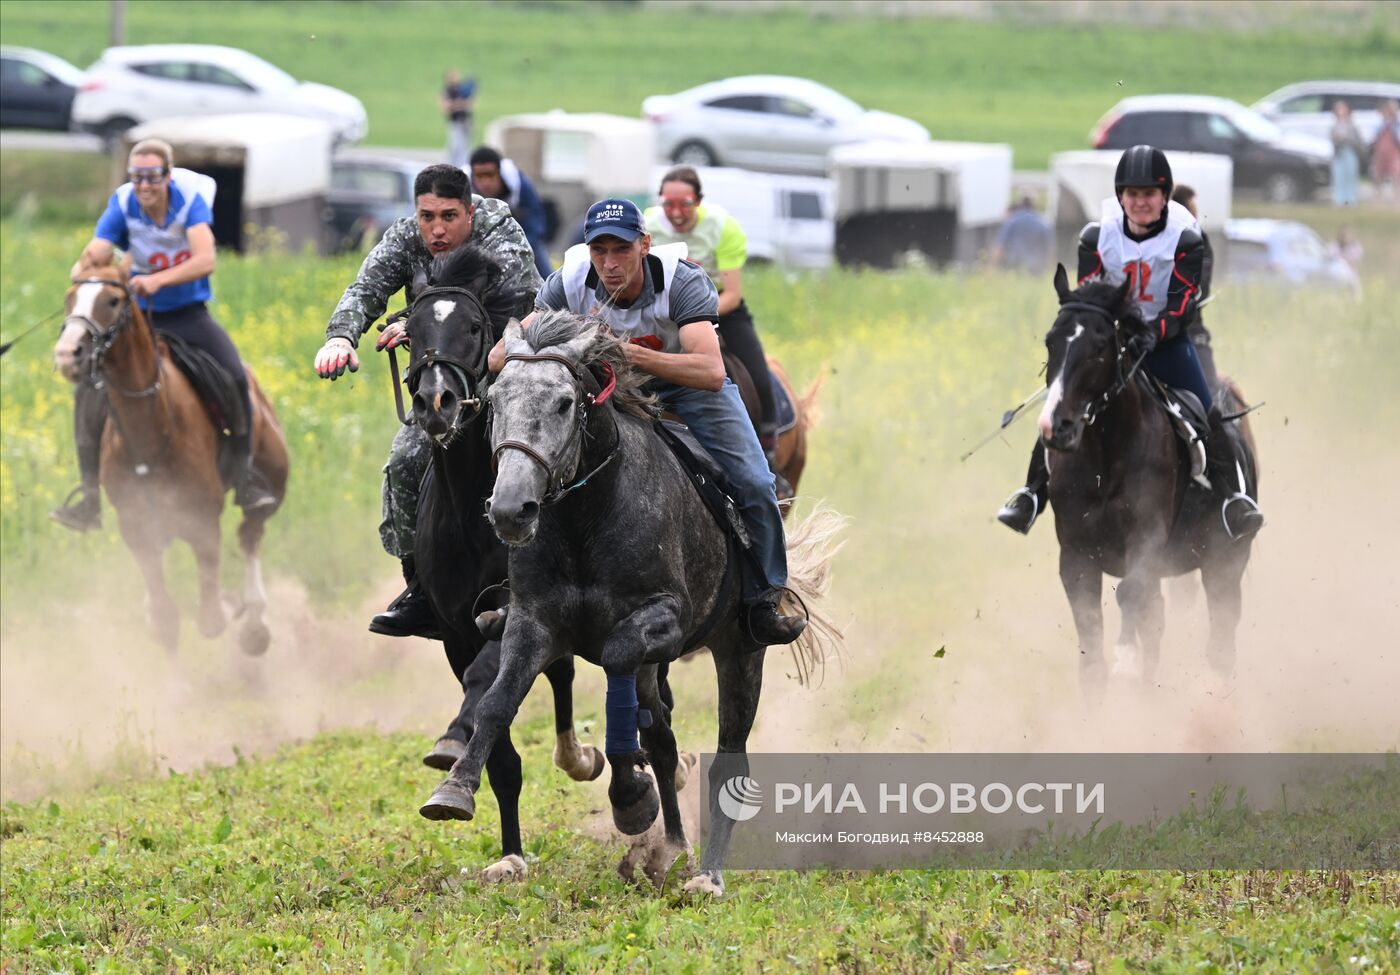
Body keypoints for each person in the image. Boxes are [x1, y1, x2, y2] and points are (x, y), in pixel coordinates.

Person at [487, 198, 806, 646]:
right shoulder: (567, 283)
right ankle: (521, 598)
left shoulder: (683, 281)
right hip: (604, 390)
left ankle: (768, 597)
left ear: (645, 245)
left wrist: (632, 353)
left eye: (621, 250)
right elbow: (503, 355)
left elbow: (711, 372)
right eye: (600, 251)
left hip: (687, 388)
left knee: (755, 482)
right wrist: (512, 349)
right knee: (523, 467)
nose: (610, 264)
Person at [314, 163, 541, 639]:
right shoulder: (406, 238)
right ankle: (420, 587)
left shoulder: (499, 232)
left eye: (449, 216)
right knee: (402, 464)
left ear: (470, 211)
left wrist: (426, 326)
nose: (436, 229)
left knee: (541, 453)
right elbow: (366, 288)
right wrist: (341, 337)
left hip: (506, 371)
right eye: (427, 216)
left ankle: (559, 568)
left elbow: (524, 311)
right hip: (442, 383)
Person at [996, 145, 1264, 542]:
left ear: (1165, 196)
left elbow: (1181, 306)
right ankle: (1031, 494)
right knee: (1061, 402)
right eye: (1132, 194)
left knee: (1208, 410)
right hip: (1112, 345)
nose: (1140, 202)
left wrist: (1150, 335)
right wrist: (1107, 338)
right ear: (1120, 196)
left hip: (1170, 343)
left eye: (1150, 194)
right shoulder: (1095, 237)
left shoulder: (1186, 240)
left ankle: (1234, 499)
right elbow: (1090, 299)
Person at [51, 138, 276, 532]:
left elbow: (206, 259)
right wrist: (86, 274)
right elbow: (96, 251)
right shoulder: (124, 205)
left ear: (167, 176)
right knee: (87, 389)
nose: (144, 185)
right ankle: (89, 495)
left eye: (152, 177)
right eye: (137, 177)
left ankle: (244, 480)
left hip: (187, 314)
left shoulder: (189, 202)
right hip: (136, 323)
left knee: (235, 377)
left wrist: (156, 280)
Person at [642, 167, 791, 499]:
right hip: (662, 312)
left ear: (699, 201)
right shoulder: (646, 227)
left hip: (720, 308)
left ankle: (768, 458)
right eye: (669, 204)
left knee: (760, 378)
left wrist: (695, 318)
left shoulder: (724, 227)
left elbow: (732, 294)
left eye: (685, 204)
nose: (677, 213)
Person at [469, 146, 552, 280]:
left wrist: (514, 251)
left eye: (490, 175)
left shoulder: (520, 185)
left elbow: (535, 226)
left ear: (499, 173)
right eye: (479, 176)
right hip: (476, 246)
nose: (485, 183)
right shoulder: (462, 187)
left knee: (548, 276)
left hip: (521, 241)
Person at [1169, 184, 1218, 393]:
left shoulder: (1199, 243)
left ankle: (1221, 424)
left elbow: (1200, 289)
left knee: (1212, 396)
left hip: (1190, 332)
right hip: (1142, 335)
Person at [989, 194, 1054, 274]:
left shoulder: (1012, 221)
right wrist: (1053, 269)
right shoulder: (1043, 222)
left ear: (1021, 205)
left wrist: (991, 267)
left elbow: (1000, 246)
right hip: (1036, 267)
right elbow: (1050, 248)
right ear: (1034, 205)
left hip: (1015, 266)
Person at [1330, 100, 1365, 208]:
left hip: (1350, 152)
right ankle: (1339, 200)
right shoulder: (1335, 125)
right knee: (1339, 177)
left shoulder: (1352, 125)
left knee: (1350, 177)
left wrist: (1347, 139)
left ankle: (1351, 200)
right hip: (1339, 153)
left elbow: (1358, 141)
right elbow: (1332, 138)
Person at [442, 70, 476, 168]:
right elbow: (446, 107)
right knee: (455, 146)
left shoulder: (461, 89)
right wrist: (460, 104)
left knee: (466, 146)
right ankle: (451, 166)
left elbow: (469, 103)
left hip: (465, 121)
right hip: (455, 122)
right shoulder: (448, 91)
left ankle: (463, 166)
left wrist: (458, 104)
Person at [1369, 99, 1400, 201]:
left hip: (1394, 152)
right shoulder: (1378, 123)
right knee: (1379, 174)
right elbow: (1374, 136)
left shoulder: (1396, 124)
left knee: (1396, 173)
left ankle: (1396, 196)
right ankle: (1378, 195)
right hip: (1380, 152)